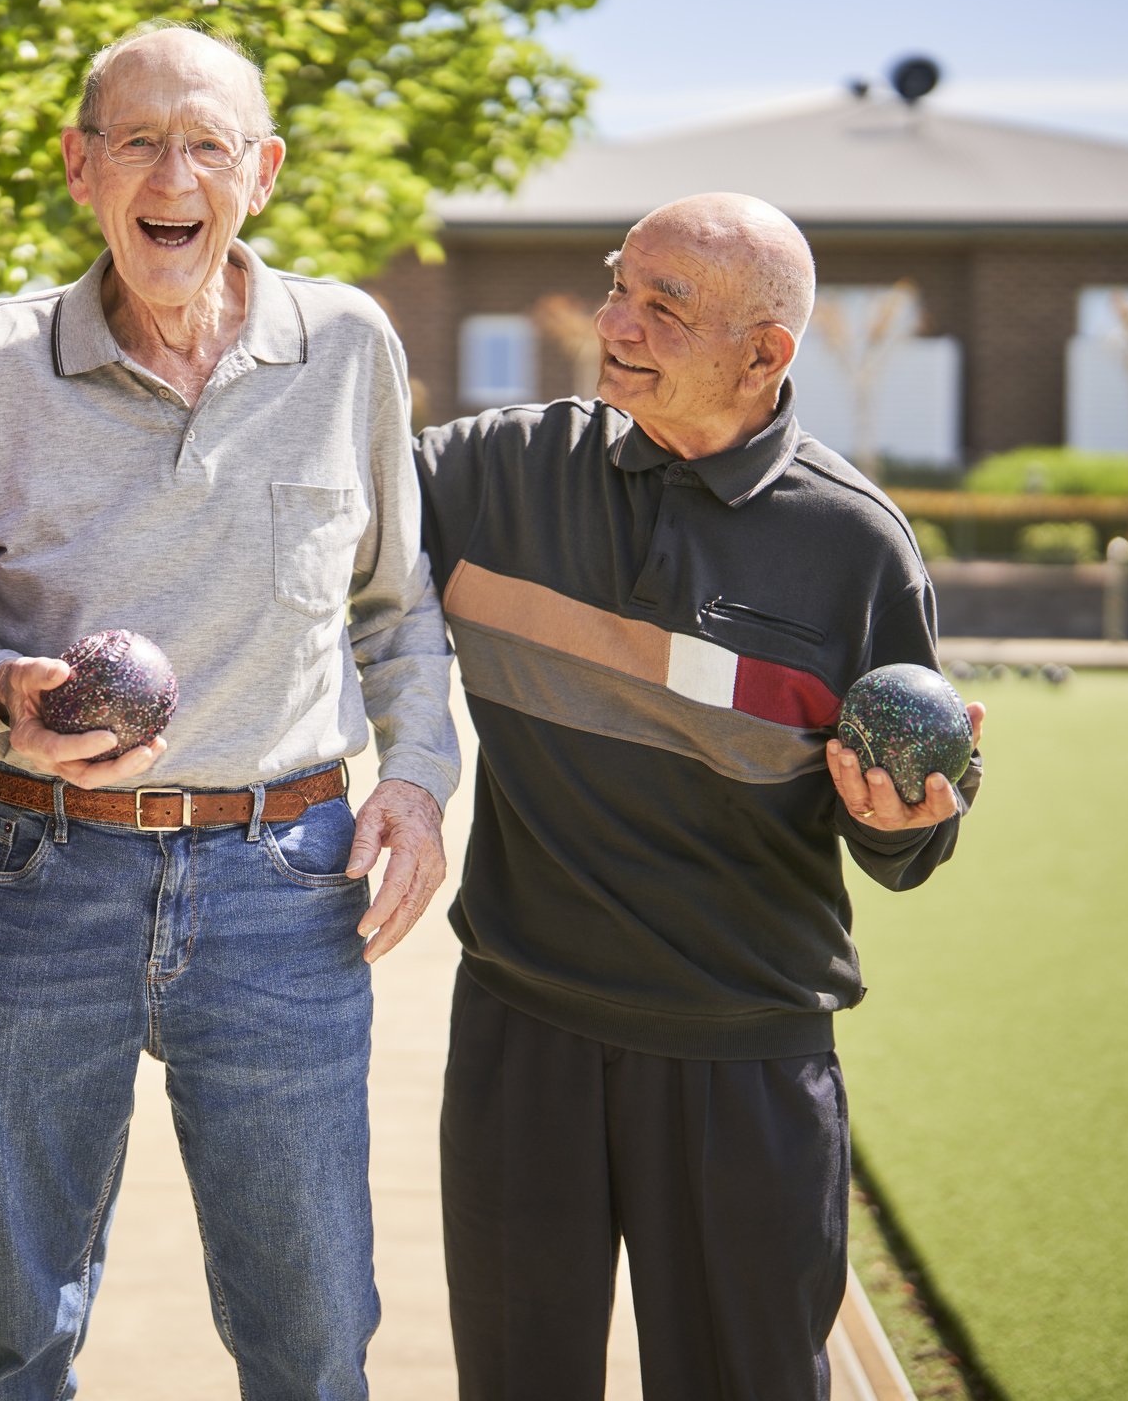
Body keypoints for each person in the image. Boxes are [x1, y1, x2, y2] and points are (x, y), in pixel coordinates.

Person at [0, 22, 459, 1401]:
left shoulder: (347, 348)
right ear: (81, 169)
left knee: (313, 1328)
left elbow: (398, 608)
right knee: (17, 1327)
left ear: (260, 173)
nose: (175, 172)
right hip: (40, 874)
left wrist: (421, 779)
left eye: (207, 142)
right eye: (139, 141)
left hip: (283, 881)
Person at [415, 193, 987, 1401]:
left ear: (765, 353)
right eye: (620, 283)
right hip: (525, 1031)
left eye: (661, 307)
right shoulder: (495, 473)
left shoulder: (853, 545)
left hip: (744, 1057)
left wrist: (906, 822)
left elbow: (905, 832)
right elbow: (320, 525)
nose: (614, 320)